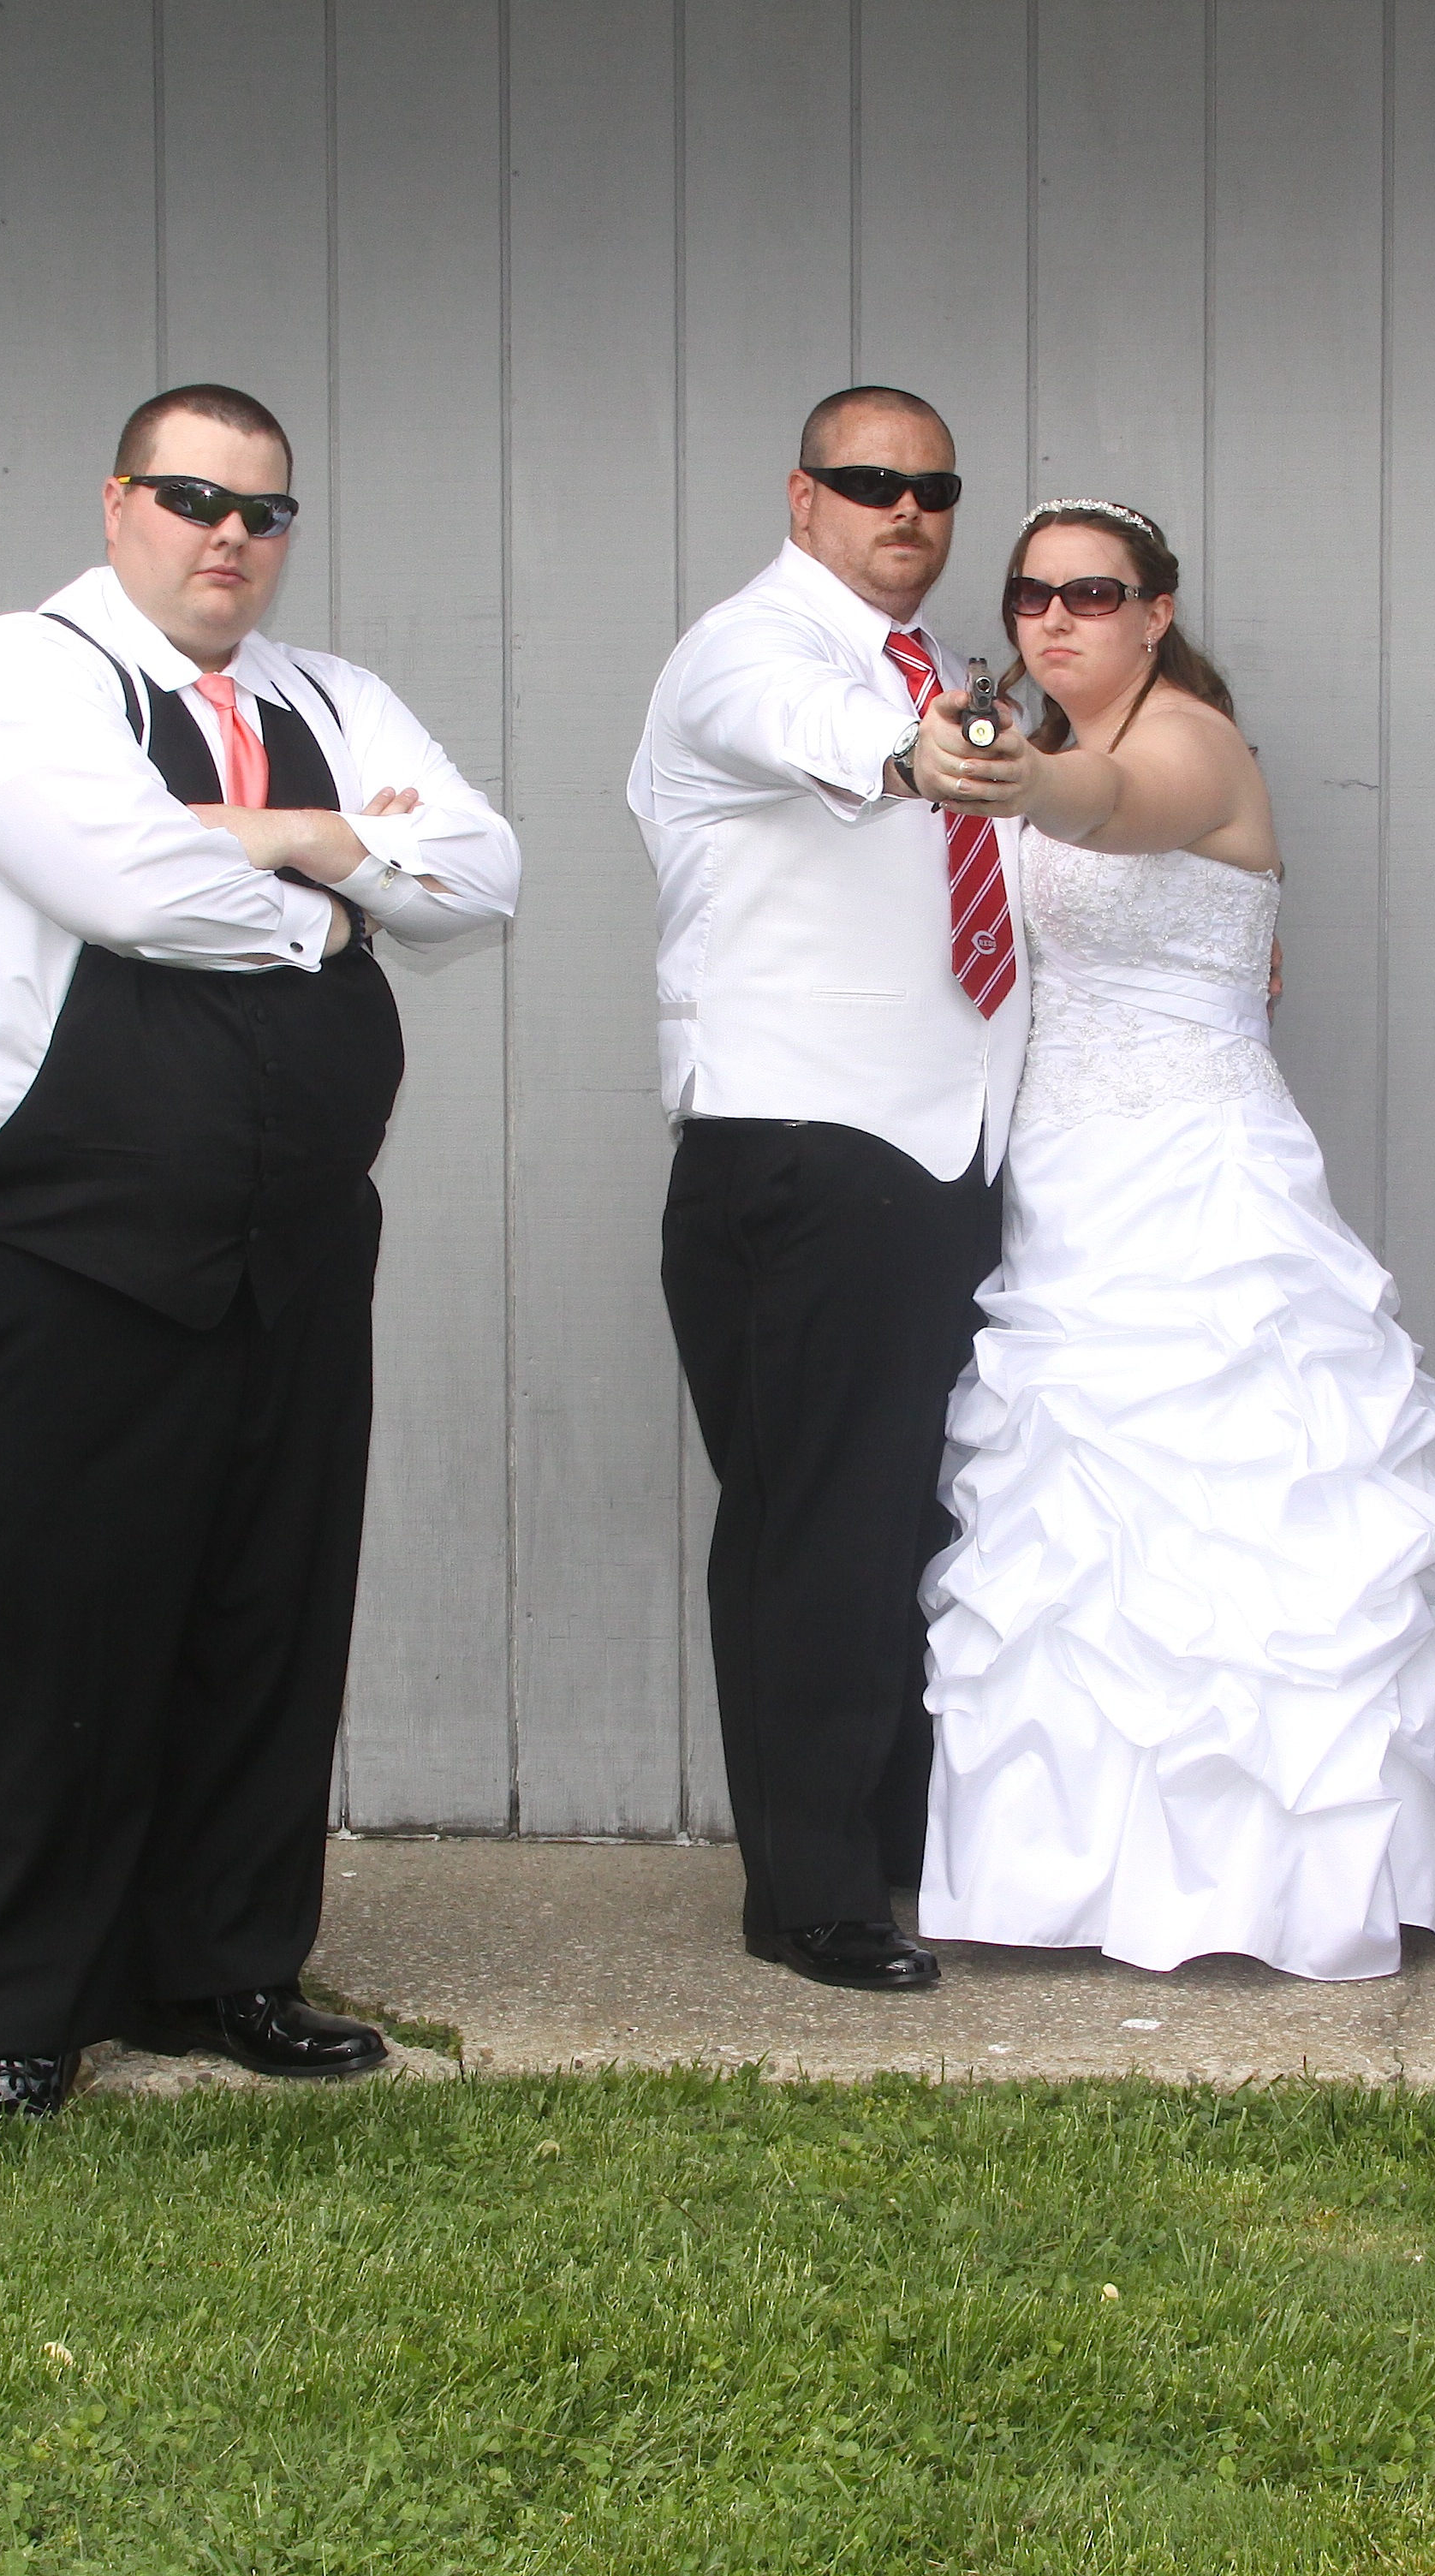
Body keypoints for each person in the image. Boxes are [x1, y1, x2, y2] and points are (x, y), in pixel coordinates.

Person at [0, 382, 515, 2117]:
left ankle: (228, 1966)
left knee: (266, 1609)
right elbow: (131, 886)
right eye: (191, 499)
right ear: (117, 504)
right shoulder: (20, 674)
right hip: (58, 1235)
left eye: (263, 511)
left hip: (293, 1239)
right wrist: (343, 899)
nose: (229, 536)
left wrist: (294, 831)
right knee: (64, 1631)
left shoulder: (330, 699)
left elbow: (483, 872)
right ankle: (33, 2007)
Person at [914, 503, 1435, 1980]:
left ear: (1157, 610)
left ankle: (1287, 1880)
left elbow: (1110, 808)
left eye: (1093, 593)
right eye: (1030, 596)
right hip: (1065, 1180)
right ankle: (1081, 1878)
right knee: (1080, 1534)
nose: (1055, 619)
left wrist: (1014, 779)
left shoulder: (1192, 742)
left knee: (1246, 1513)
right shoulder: (1053, 735)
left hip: (1199, 1181)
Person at [631, 385, 1027, 1991]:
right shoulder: (752, 648)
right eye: (869, 482)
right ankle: (812, 1896)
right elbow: (801, 729)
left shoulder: (940, 665)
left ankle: (893, 1843)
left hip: (948, 1150)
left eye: (934, 485)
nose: (906, 509)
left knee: (906, 1523)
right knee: (821, 1534)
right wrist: (906, 749)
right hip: (806, 1148)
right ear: (802, 498)